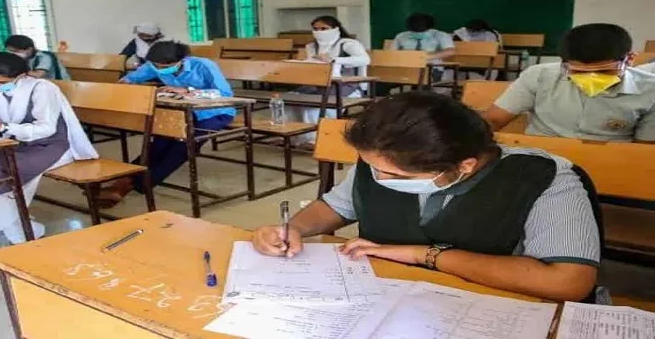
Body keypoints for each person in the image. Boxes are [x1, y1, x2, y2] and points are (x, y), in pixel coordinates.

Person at [252, 92, 601, 302]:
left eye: (396, 176)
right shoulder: (384, 156)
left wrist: (425, 255)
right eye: (372, 167)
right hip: (392, 296)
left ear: (464, 165)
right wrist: (292, 228)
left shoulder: (543, 177)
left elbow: (567, 281)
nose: (379, 179)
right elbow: (336, 206)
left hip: (493, 302)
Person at [0, 52, 97, 248]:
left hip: (50, 145)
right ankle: (22, 230)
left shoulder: (43, 89)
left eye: (0, 82)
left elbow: (46, 128)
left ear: (22, 76)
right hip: (16, 142)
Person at [96, 41, 235, 206]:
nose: (160, 70)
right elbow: (130, 79)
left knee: (183, 146)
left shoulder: (204, 66)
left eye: (165, 66)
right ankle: (124, 180)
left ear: (182, 60)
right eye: (157, 66)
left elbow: (225, 94)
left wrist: (188, 91)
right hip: (179, 112)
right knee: (158, 144)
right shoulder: (153, 65)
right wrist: (126, 86)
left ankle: (133, 184)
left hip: (213, 113)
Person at [483, 23, 655, 143]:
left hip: (612, 163)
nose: (592, 78)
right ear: (563, 63)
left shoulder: (650, 90)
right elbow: (494, 120)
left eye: (604, 71)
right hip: (542, 159)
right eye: (579, 72)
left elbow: (643, 149)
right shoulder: (539, 76)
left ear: (630, 59)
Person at [287, 15, 370, 147]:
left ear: (335, 28)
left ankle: (316, 139)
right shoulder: (311, 46)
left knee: (314, 105)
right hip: (317, 83)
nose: (319, 32)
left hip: (344, 85)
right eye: (316, 29)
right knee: (291, 100)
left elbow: (364, 59)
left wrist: (334, 59)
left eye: (324, 28)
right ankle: (296, 137)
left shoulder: (347, 44)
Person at [5, 35, 71, 80]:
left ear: (29, 49)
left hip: (57, 84)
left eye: (15, 51)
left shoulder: (44, 57)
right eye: (10, 51)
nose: (12, 54)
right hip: (35, 84)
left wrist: (19, 69)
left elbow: (38, 75)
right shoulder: (23, 57)